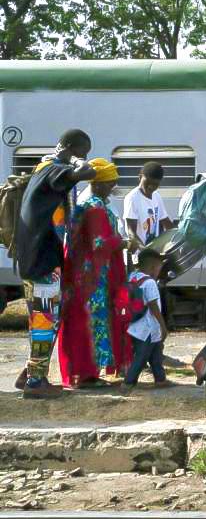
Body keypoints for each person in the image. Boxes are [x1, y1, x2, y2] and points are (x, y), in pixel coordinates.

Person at [15, 130, 95, 399]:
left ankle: (30, 372)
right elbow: (87, 174)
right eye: (83, 151)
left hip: (38, 257)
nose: (85, 157)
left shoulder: (43, 168)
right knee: (44, 319)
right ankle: (36, 382)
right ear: (70, 148)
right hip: (42, 260)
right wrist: (75, 161)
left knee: (48, 317)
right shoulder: (53, 169)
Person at [58, 158, 132, 389]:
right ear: (99, 184)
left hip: (82, 276)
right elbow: (99, 243)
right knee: (92, 325)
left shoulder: (87, 204)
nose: (112, 188)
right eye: (110, 184)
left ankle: (83, 374)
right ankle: (86, 376)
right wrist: (123, 242)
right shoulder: (96, 208)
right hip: (93, 280)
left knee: (83, 323)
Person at [123, 248, 172, 390]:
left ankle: (160, 379)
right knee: (142, 356)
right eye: (158, 269)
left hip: (135, 326)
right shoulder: (150, 283)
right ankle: (128, 382)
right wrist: (163, 326)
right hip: (148, 328)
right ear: (152, 268)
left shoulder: (133, 276)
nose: (159, 273)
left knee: (156, 354)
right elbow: (153, 306)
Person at [123, 161, 174, 260]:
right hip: (138, 258)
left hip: (153, 255)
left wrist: (179, 236)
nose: (151, 187)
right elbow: (131, 233)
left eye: (155, 184)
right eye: (148, 183)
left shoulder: (156, 196)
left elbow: (166, 222)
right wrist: (145, 251)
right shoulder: (132, 198)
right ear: (140, 177)